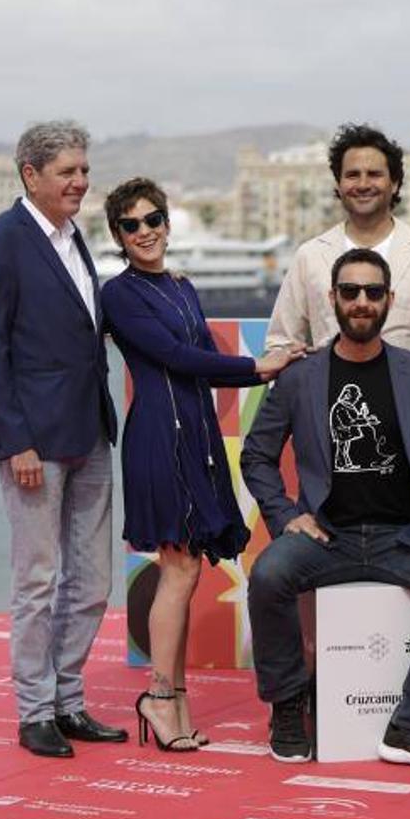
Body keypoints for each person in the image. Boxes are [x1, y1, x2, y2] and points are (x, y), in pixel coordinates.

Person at [242, 248, 410, 772]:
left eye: (372, 292)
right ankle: (289, 706)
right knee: (267, 575)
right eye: (350, 292)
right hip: (325, 537)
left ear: (389, 301)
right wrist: (286, 516)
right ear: (332, 299)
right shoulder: (299, 377)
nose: (361, 302)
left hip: (406, 539)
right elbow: (257, 456)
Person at [99, 177, 300, 751]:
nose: (146, 232)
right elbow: (175, 358)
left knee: (186, 569)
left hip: (198, 438)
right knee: (180, 567)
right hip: (159, 440)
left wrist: (274, 363)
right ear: (118, 234)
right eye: (131, 224)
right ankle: (161, 698)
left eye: (153, 219)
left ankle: (172, 698)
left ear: (166, 222)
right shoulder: (120, 295)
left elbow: (207, 366)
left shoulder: (183, 289)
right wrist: (259, 367)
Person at [0, 120, 125, 758]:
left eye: (84, 170)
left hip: (90, 433)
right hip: (33, 441)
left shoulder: (75, 237)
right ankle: (34, 712)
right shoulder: (2, 240)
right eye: (68, 172)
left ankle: (68, 700)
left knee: (91, 583)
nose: (80, 182)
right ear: (31, 175)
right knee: (37, 580)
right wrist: (15, 440)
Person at [265, 123, 410, 358]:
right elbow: (280, 343)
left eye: (374, 174)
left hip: (408, 393)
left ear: (394, 183)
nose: (363, 185)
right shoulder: (310, 255)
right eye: (353, 175)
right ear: (338, 184)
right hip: (332, 393)